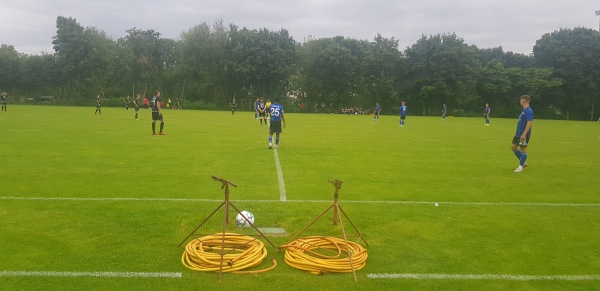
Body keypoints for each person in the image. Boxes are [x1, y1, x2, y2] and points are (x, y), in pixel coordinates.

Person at [511, 95, 533, 173]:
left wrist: (524, 134)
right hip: (518, 133)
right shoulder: (524, 110)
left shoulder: (529, 111)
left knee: (522, 148)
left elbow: (529, 123)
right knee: (513, 147)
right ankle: (523, 162)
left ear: (523, 101)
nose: (520, 102)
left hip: (523, 134)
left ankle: (520, 167)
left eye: (520, 100)